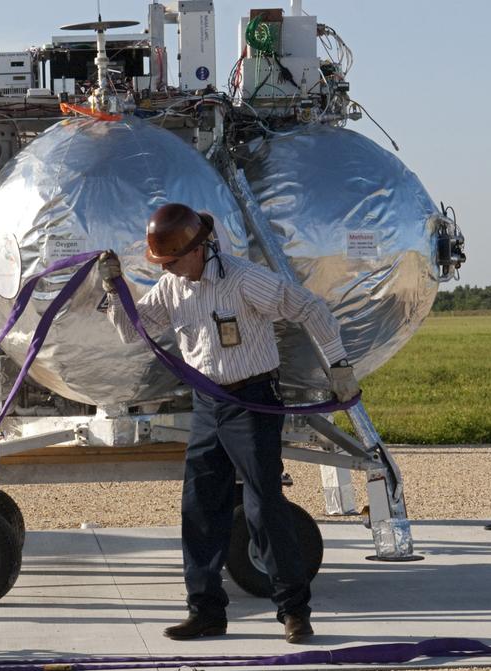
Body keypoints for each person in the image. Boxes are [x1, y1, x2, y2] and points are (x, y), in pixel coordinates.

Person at [100, 203, 359, 643]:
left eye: (174, 260)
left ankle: (294, 612)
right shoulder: (172, 287)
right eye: (163, 264)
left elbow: (310, 308)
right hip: (208, 403)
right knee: (200, 506)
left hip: (252, 400)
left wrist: (337, 366)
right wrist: (114, 288)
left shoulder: (244, 280)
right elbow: (132, 331)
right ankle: (206, 612)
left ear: (199, 248)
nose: (171, 270)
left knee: (263, 506)